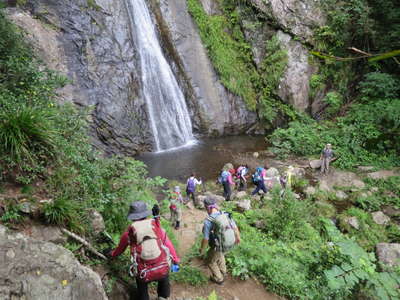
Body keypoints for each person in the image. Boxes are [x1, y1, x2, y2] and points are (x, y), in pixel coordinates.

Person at [108, 201, 180, 300]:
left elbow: (119, 251)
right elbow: (168, 245)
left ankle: (144, 297)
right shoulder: (156, 227)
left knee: (142, 287)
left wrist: (111, 254)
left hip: (143, 272)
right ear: (146, 215)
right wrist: (176, 260)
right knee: (164, 277)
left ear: (132, 217)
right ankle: (162, 297)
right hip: (162, 268)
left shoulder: (129, 233)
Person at [200, 196, 240, 284]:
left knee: (210, 261)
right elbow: (235, 228)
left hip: (219, 245)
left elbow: (206, 239)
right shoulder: (225, 214)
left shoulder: (208, 221)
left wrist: (202, 250)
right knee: (220, 254)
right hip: (230, 242)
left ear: (207, 207)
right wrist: (238, 239)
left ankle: (219, 278)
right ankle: (223, 271)